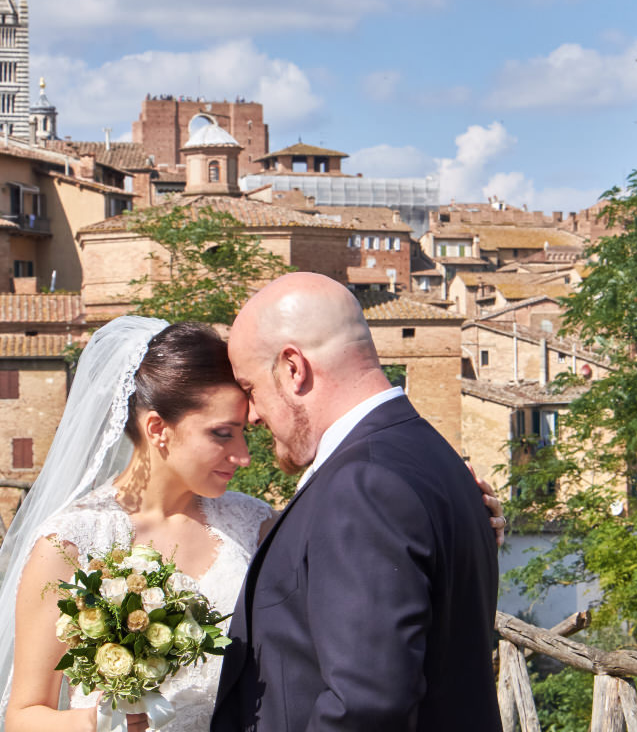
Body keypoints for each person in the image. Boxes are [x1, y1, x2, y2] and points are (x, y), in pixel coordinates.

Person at [0, 315, 504, 732]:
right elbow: (24, 713)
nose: (242, 455)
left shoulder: (255, 525)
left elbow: (366, 571)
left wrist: (462, 522)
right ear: (159, 429)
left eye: (245, 431)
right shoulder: (71, 544)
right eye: (221, 434)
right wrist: (107, 719)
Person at [212, 272, 502, 732]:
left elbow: (366, 707)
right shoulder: (432, 454)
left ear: (293, 369)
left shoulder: (361, 486)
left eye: (250, 389)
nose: (251, 414)